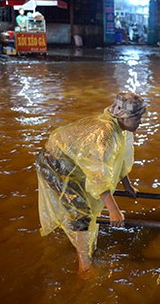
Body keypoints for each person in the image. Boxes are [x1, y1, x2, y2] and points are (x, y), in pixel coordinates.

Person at [36, 93, 146, 275]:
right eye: (137, 118)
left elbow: (120, 160)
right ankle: (84, 266)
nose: (140, 122)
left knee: (84, 200)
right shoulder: (105, 136)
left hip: (74, 160)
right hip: (55, 162)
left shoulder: (121, 130)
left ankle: (83, 250)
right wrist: (113, 210)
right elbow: (98, 176)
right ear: (124, 117)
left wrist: (127, 186)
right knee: (80, 210)